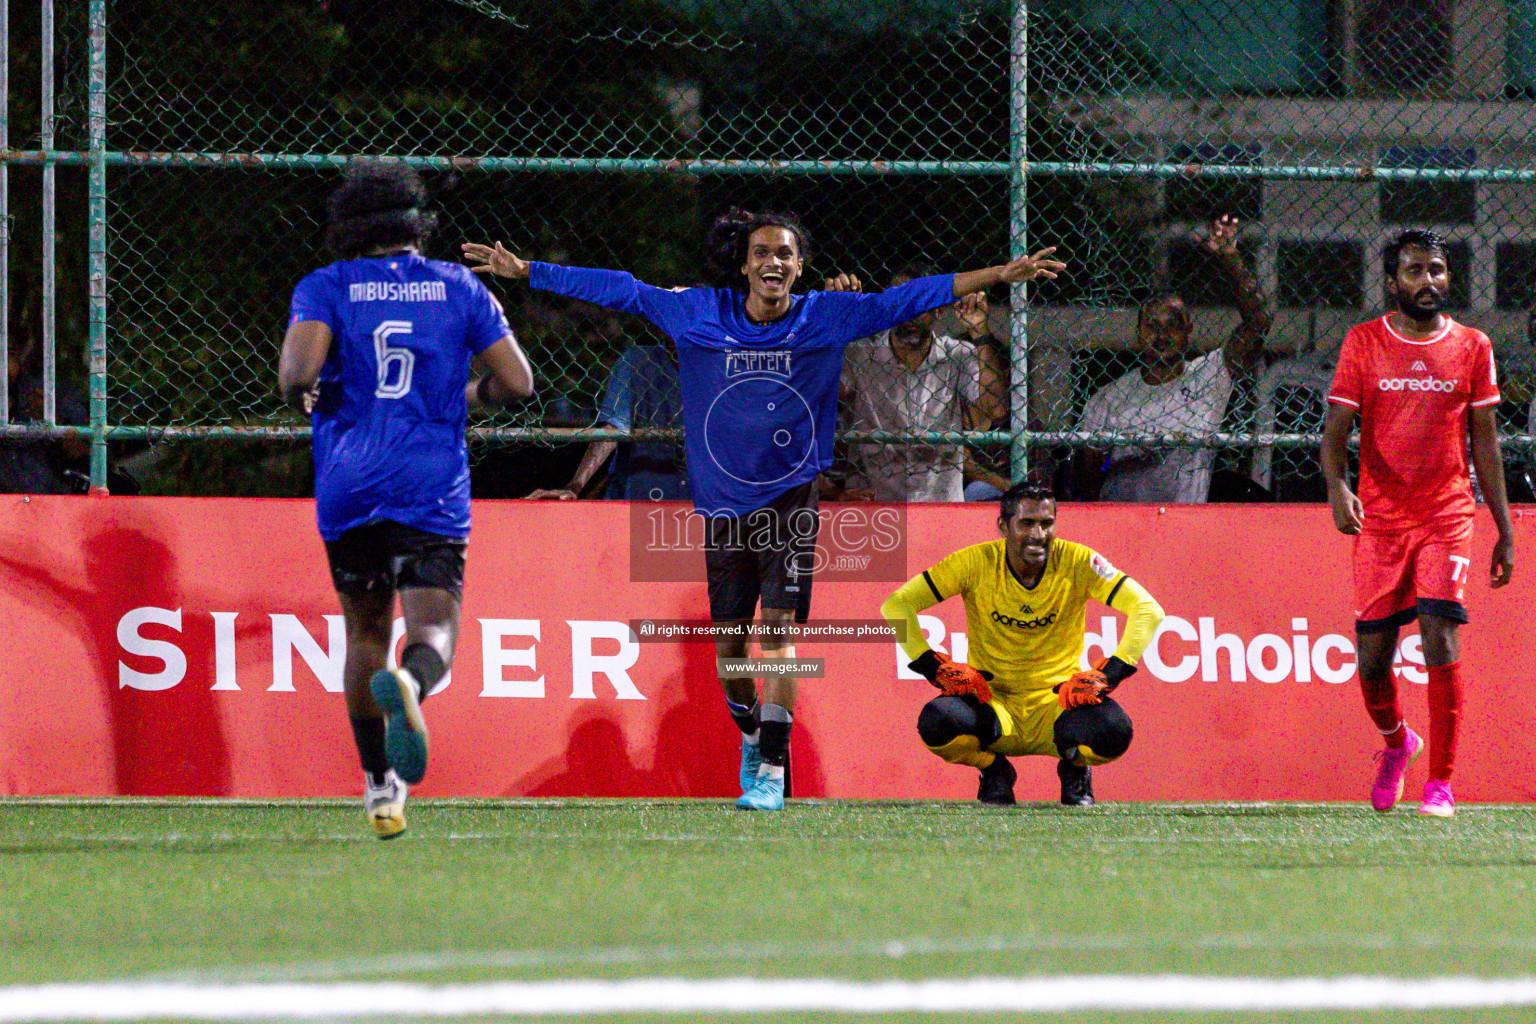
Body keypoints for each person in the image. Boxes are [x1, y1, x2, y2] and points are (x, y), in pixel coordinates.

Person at [464, 211, 1065, 811]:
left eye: (785, 255)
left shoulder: (825, 318)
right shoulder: (698, 312)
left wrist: (1004, 272)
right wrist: (525, 271)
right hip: (723, 505)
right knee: (730, 650)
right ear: (745, 263)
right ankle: (753, 734)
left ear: (800, 267)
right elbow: (620, 288)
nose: (773, 263)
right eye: (762, 253)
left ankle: (773, 768)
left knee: (777, 634)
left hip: (792, 496)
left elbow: (914, 295)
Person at [279, 162, 534, 839]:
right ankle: (415, 686)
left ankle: (380, 788)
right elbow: (519, 381)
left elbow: (296, 375)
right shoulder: (458, 286)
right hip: (430, 479)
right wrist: (465, 397)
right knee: (433, 630)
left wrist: (312, 394)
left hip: (350, 477)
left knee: (364, 630)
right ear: (417, 221)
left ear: (350, 222)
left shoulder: (325, 286)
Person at [1321, 228, 1515, 818]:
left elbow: (1486, 443)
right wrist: (1337, 487)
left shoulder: (1473, 346)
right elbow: (1333, 436)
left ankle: (1441, 785)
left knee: (1439, 636)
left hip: (1447, 514)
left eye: (1436, 269)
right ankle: (1397, 742)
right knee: (1372, 662)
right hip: (1381, 520)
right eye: (1414, 271)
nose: (1428, 281)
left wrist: (1504, 528)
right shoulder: (1363, 342)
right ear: (1392, 281)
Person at [880, 482, 1165, 806]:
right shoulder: (974, 562)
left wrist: (1110, 674)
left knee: (1114, 731)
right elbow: (897, 605)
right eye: (1027, 523)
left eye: (1047, 523)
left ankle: (1076, 767)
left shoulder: (1078, 561)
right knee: (936, 723)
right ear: (1004, 525)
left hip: (1059, 705)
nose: (1038, 534)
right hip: (993, 704)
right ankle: (993, 770)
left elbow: (1148, 610)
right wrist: (934, 668)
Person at [1074, 214, 1271, 503]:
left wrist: (1231, 257)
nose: (1161, 333)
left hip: (1184, 521)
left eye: (1172, 324)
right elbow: (1084, 481)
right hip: (1123, 521)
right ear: (1139, 332)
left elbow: (1258, 324)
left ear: (1188, 330)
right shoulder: (1111, 398)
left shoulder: (1209, 376)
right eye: (1152, 325)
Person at [830, 264, 1002, 502]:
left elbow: (994, 409)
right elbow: (823, 393)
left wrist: (979, 332)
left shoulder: (958, 355)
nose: (908, 312)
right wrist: (838, 320)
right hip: (874, 500)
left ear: (939, 310)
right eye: (900, 301)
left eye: (920, 301)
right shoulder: (861, 354)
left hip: (939, 501)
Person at [526, 340, 688, 501]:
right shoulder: (639, 361)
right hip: (639, 495)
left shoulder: (709, 366)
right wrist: (575, 485)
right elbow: (613, 429)